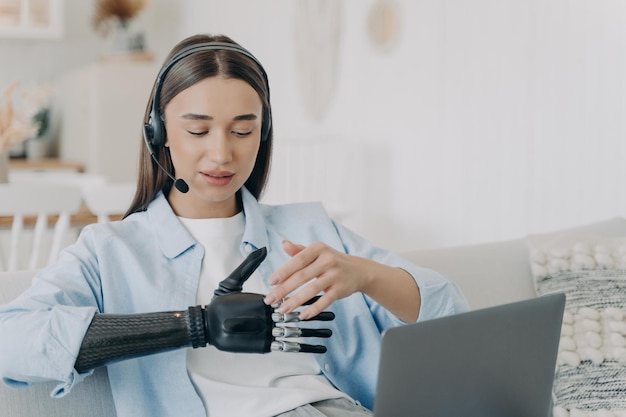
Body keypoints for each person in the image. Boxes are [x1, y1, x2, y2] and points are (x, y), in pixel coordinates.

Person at [0, 34, 468, 417]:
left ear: (262, 134)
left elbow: (450, 313)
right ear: (158, 134)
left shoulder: (311, 227)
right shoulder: (111, 250)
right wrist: (193, 325)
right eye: (198, 130)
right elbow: (12, 341)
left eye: (243, 131)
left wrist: (363, 274)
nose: (223, 154)